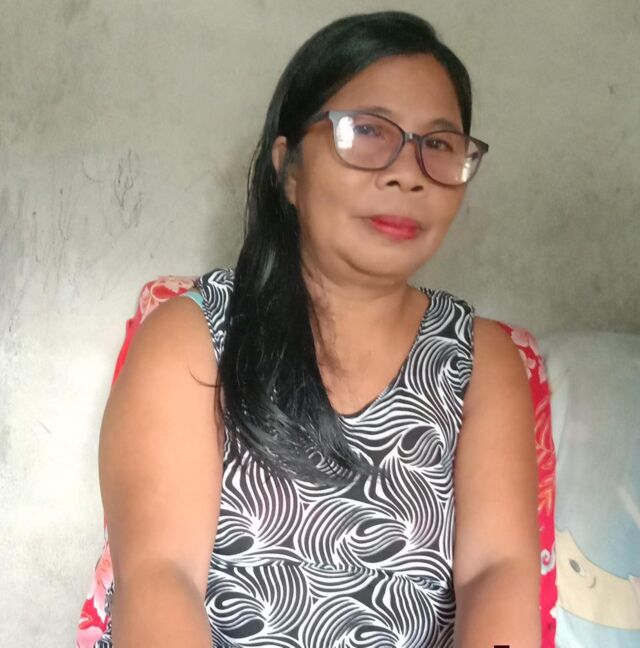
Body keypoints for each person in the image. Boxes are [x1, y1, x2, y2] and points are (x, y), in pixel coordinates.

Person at [95, 10, 540, 648]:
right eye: (368, 131)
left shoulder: (481, 360)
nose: (408, 173)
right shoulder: (194, 338)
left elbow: (496, 574)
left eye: (439, 144)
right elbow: (160, 577)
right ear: (289, 169)